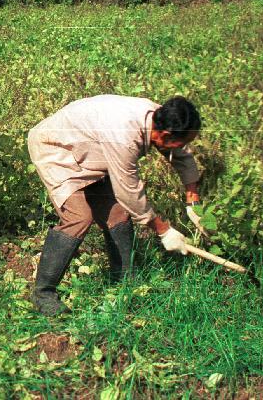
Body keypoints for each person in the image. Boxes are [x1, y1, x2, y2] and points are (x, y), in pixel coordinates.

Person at [27, 95, 202, 316]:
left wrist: (192, 198)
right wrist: (163, 230)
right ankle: (43, 293)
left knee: (118, 213)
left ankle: (125, 281)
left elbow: (180, 153)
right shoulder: (124, 136)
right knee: (79, 217)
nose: (183, 146)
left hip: (88, 150)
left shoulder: (163, 118)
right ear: (165, 135)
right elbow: (128, 190)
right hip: (56, 149)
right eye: (182, 141)